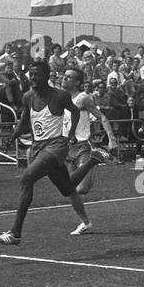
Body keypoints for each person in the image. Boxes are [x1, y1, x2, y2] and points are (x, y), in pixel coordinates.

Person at [0, 61, 107, 245]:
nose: (33, 78)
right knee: (67, 188)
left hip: (56, 147)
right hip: (39, 147)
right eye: (31, 74)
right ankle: (93, 160)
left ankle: (15, 233)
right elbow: (24, 120)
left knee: (27, 178)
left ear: (46, 76)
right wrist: (13, 136)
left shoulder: (59, 96)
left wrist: (70, 134)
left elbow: (75, 112)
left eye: (37, 74)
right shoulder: (28, 97)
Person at [60, 66, 117, 194]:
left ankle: (95, 159)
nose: (64, 78)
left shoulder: (83, 98)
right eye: (64, 75)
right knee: (69, 188)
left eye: (69, 77)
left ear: (77, 82)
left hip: (82, 146)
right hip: (67, 147)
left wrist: (111, 139)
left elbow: (102, 117)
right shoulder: (60, 97)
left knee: (81, 189)